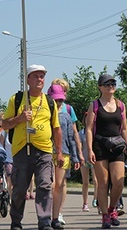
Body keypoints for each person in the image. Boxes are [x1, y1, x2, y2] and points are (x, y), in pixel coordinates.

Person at [3, 64, 64, 230]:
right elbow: (5, 124)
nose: (39, 79)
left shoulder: (49, 102)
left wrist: (59, 152)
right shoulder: (16, 99)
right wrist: (19, 119)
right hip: (22, 149)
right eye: (36, 76)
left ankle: (44, 221)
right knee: (20, 188)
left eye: (42, 76)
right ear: (28, 79)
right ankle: (16, 220)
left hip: (44, 150)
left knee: (44, 184)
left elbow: (56, 128)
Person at [84, 74, 127, 229]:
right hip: (100, 144)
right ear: (100, 87)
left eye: (113, 83)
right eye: (107, 84)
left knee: (119, 181)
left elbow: (124, 128)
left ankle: (112, 209)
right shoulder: (95, 105)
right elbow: (89, 128)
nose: (110, 86)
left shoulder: (120, 105)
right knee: (103, 182)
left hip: (117, 145)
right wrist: (90, 149)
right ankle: (105, 215)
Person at [48, 84, 81, 229]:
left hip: (65, 152)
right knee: (51, 184)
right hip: (48, 152)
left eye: (60, 100)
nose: (58, 103)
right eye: (55, 100)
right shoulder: (44, 113)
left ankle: (57, 214)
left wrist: (76, 156)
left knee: (60, 185)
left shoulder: (67, 115)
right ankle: (47, 214)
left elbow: (71, 136)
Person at [79, 113, 98, 213]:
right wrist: (79, 157)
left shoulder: (95, 132)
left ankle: (96, 199)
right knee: (85, 182)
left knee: (96, 180)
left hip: (94, 159)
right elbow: (80, 146)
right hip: (84, 159)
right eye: (86, 119)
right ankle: (85, 203)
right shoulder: (81, 133)